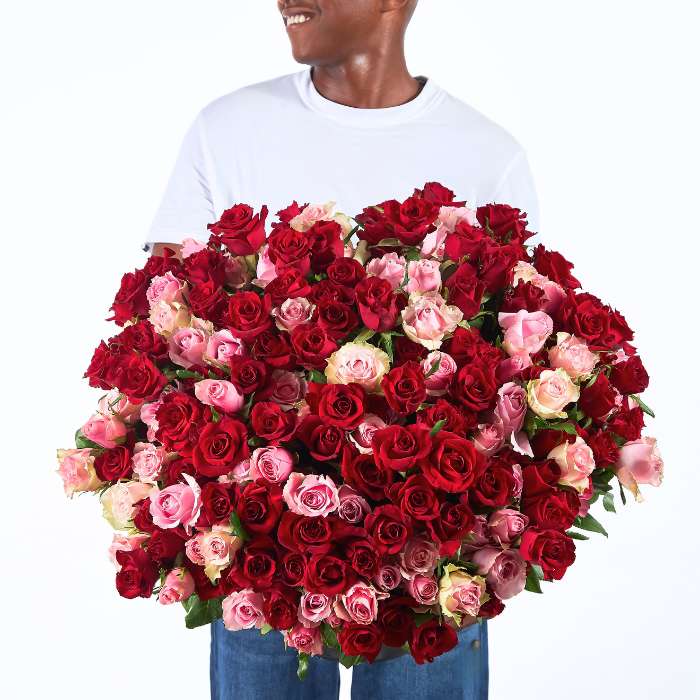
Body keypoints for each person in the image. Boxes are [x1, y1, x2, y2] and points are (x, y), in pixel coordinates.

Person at [147, 2, 540, 698]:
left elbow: (514, 354)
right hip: (261, 545)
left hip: (432, 543)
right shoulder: (228, 130)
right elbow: (167, 330)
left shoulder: (487, 153)